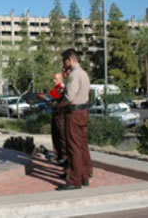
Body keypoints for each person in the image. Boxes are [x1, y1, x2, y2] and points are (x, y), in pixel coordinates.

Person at [57, 48, 92, 191]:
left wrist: (58, 105)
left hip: (74, 113)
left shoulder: (74, 75)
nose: (63, 64)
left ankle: (74, 181)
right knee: (83, 145)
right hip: (84, 111)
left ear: (70, 59)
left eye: (64, 61)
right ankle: (84, 177)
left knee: (73, 147)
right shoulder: (84, 74)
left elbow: (69, 97)